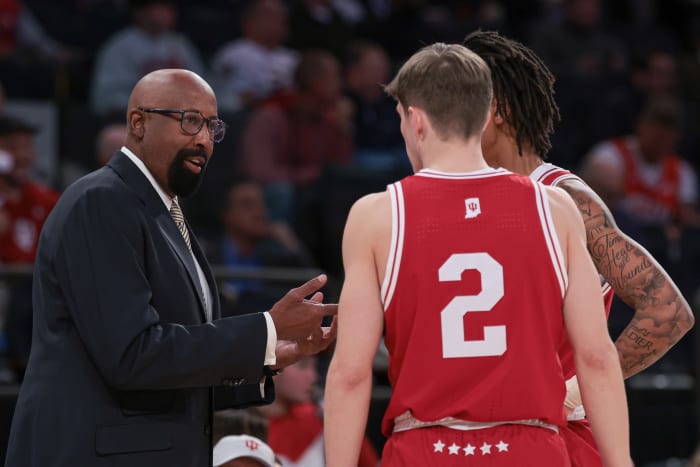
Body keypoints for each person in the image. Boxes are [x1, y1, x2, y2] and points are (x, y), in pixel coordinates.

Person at [5, 68, 337, 467]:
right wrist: (265, 328)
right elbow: (133, 356)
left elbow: (170, 371)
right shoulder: (102, 202)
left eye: (212, 126)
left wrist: (268, 357)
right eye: (189, 121)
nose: (202, 139)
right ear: (138, 123)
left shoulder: (162, 211)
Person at [323, 42, 631, 466]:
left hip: (424, 449)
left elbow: (352, 374)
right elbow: (596, 356)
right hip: (530, 448)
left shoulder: (376, 216)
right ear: (486, 115)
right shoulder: (555, 208)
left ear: (415, 120)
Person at [462, 30, 695, 466]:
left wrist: (571, 392)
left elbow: (667, 310)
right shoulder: (468, 196)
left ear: (500, 110)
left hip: (558, 438)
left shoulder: (564, 196)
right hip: (486, 432)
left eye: (463, 100)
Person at [258, 355, 378, 466]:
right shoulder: (244, 426)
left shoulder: (323, 418)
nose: (313, 377)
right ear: (271, 367)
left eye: (314, 366)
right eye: (303, 365)